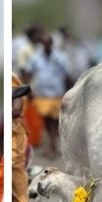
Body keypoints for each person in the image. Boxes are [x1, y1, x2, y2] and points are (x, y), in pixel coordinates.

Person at [23, 27, 71, 155]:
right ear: (42, 44)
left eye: (49, 43)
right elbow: (28, 73)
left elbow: (67, 75)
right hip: (41, 93)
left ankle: (53, 143)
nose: (47, 45)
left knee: (55, 119)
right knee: (45, 119)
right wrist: (26, 89)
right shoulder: (35, 58)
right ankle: (51, 144)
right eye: (44, 43)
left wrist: (70, 91)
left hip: (56, 93)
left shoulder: (60, 57)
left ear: (51, 44)